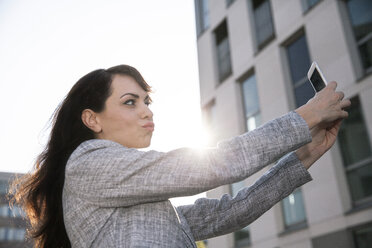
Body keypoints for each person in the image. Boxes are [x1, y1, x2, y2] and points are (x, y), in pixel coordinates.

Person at [10, 64, 351, 247]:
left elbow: (231, 212)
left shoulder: (137, 195)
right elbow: (214, 164)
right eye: (130, 102)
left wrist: (304, 155)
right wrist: (303, 119)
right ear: (92, 119)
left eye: (147, 101)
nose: (147, 112)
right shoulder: (89, 161)